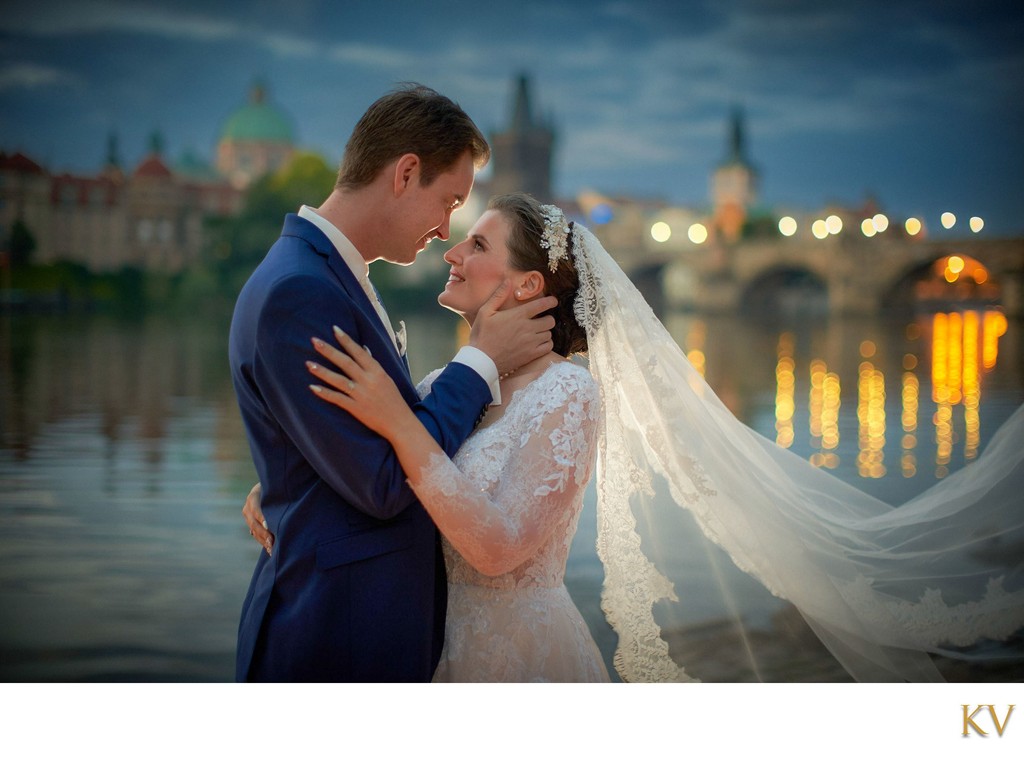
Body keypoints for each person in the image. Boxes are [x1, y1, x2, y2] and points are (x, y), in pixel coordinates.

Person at [247, 192, 1024, 683]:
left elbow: (493, 543)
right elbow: (383, 463)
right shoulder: (455, 383)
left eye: (477, 244)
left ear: (525, 287)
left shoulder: (568, 392)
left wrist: (394, 425)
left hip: (514, 662)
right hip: (433, 651)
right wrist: (290, 486)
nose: (452, 248)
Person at [229, 86, 557, 683]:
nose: (445, 230)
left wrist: (293, 475)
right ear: (406, 173)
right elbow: (383, 481)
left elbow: (355, 442)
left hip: (360, 631)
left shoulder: (329, 276)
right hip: (333, 639)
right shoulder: (300, 291)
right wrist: (479, 361)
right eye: (449, 200)